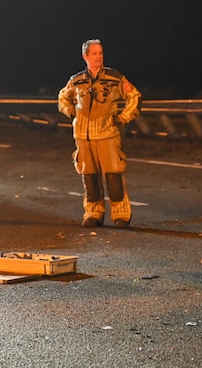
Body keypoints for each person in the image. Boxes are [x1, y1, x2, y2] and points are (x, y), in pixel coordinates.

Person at [57, 39, 142, 228]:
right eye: (94, 53)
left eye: (100, 53)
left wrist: (123, 117)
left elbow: (135, 96)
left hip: (107, 134)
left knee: (113, 176)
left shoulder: (114, 78)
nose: (99, 57)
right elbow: (62, 97)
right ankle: (93, 212)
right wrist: (71, 112)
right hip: (82, 135)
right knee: (89, 176)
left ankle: (121, 213)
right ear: (85, 56)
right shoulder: (77, 80)